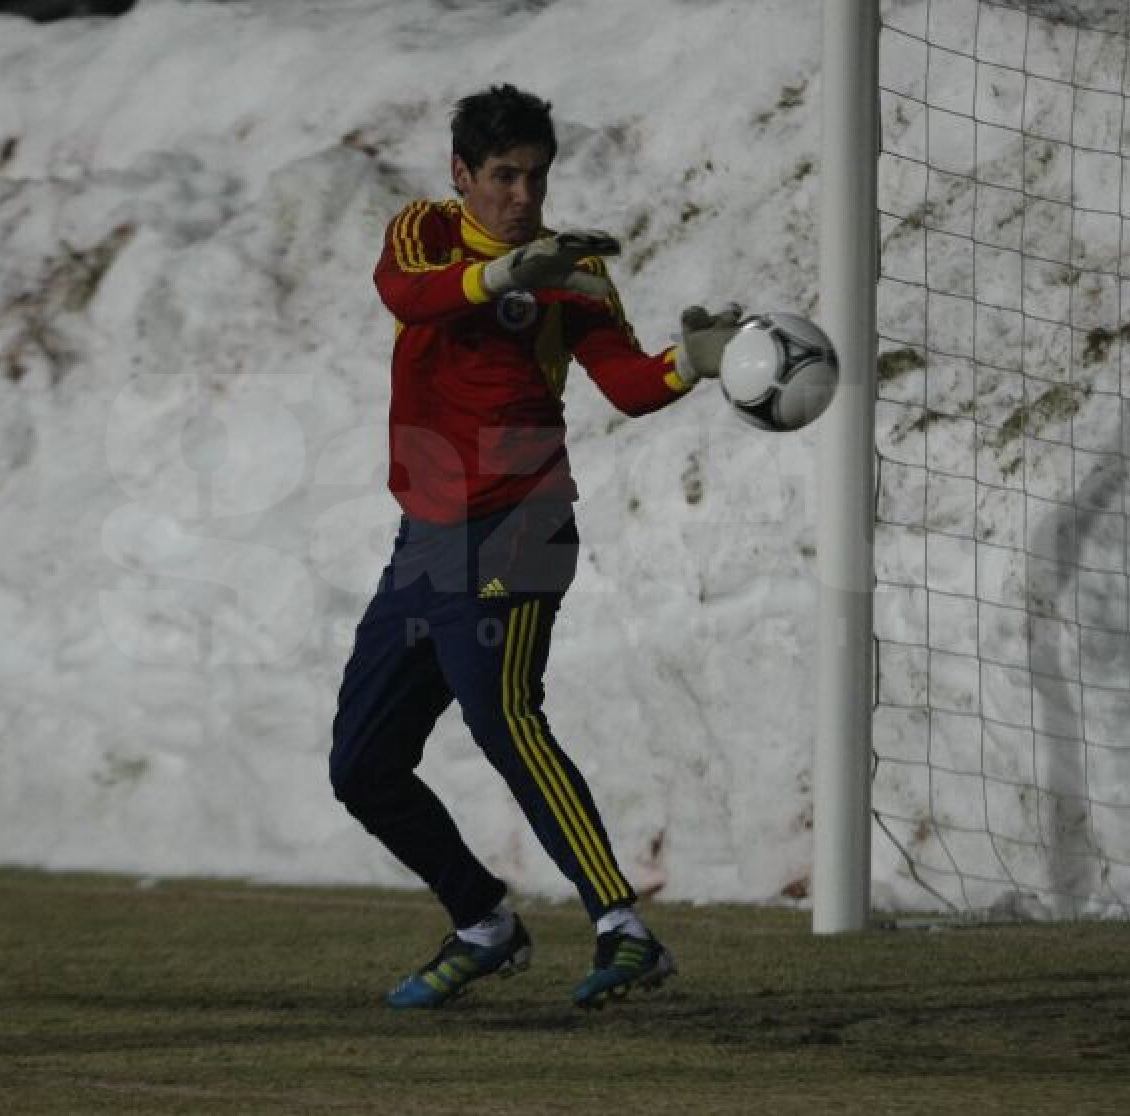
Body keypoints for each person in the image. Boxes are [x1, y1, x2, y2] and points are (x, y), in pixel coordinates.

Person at [330, 84, 741, 1010]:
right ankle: (482, 921)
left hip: (525, 521)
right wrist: (509, 273)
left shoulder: (575, 274)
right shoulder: (426, 233)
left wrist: (693, 360)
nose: (523, 194)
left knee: (505, 715)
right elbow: (408, 295)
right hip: (426, 540)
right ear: (462, 175)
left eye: (537, 176)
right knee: (361, 767)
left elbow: (628, 387)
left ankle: (622, 927)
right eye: (504, 176)